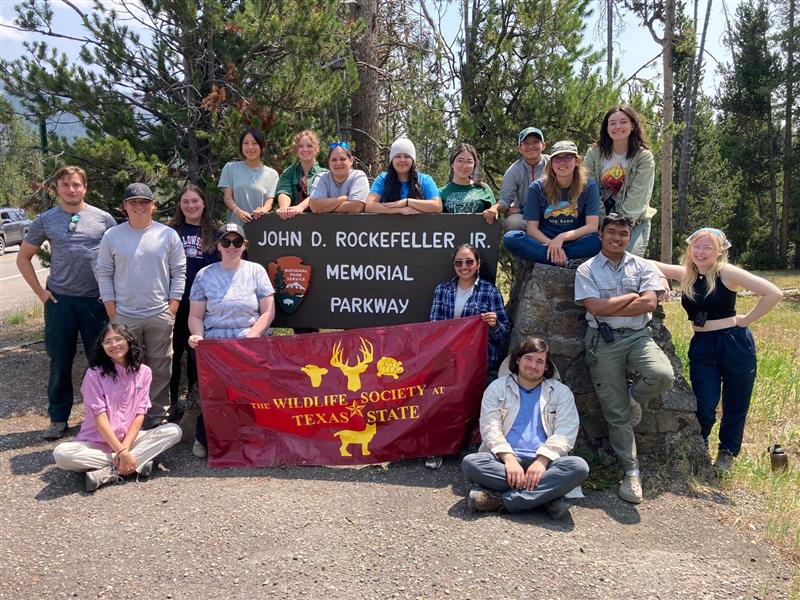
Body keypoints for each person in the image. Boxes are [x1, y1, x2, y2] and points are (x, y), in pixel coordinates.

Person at [651, 228, 782, 473]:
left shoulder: (726, 273)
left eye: (707, 248)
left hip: (733, 343)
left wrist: (746, 320)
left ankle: (726, 454)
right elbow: (647, 263)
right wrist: (660, 281)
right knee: (704, 403)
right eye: (696, 247)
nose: (700, 253)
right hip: (702, 346)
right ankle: (699, 446)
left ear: (720, 251)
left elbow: (773, 293)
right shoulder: (687, 274)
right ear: (689, 249)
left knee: (736, 401)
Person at [574, 213, 674, 504]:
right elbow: (595, 308)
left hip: (638, 337)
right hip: (603, 342)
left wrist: (610, 306)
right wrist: (631, 297)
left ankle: (634, 396)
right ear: (601, 235)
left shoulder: (644, 266)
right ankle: (631, 472)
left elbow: (650, 302)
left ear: (629, 237)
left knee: (662, 375)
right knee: (616, 412)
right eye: (612, 232)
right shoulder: (586, 269)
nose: (617, 237)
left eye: (623, 233)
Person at [17, 166, 117, 440]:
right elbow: (23, 257)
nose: (71, 190)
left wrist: (111, 293)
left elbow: (118, 256)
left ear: (85, 187)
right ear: (57, 189)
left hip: (95, 302)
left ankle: (104, 417)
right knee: (60, 361)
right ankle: (59, 419)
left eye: (76, 185)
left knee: (101, 361)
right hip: (60, 301)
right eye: (65, 185)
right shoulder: (46, 220)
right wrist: (40, 293)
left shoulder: (103, 219)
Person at [461, 337, 589, 518]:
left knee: (579, 467)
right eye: (528, 358)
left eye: (540, 361)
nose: (533, 365)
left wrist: (541, 461)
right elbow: (490, 427)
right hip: (504, 462)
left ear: (546, 367)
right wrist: (509, 460)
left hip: (547, 463)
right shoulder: (497, 388)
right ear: (518, 360)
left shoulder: (560, 392)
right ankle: (547, 497)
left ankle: (500, 501)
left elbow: (566, 432)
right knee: (471, 463)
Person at [95, 183, 186, 428]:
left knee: (160, 368)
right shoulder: (112, 236)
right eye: (133, 203)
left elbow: (179, 272)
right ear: (125, 207)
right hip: (124, 315)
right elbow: (103, 272)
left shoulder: (167, 235)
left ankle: (158, 418)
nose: (139, 207)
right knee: (125, 368)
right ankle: (127, 418)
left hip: (159, 313)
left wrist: (173, 306)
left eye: (144, 202)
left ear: (152, 205)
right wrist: (112, 310)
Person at [52, 323, 182, 493]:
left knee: (174, 431)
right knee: (62, 455)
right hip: (96, 443)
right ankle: (134, 463)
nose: (114, 345)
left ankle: (109, 472)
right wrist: (120, 452)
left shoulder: (144, 372)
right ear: (102, 347)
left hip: (129, 440)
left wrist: (125, 448)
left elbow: (139, 414)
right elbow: (99, 417)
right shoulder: (94, 374)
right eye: (108, 342)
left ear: (129, 341)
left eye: (118, 339)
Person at [188, 223, 276, 457]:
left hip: (250, 343)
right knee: (216, 396)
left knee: (251, 395)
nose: (231, 247)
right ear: (218, 245)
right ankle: (205, 438)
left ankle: (252, 438)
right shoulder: (204, 275)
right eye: (226, 242)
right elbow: (196, 315)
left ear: (244, 246)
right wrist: (197, 335)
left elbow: (268, 312)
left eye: (237, 242)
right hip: (216, 347)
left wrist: (251, 336)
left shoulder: (256, 271)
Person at [167, 184, 221, 421]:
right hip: (173, 302)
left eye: (195, 201)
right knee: (172, 354)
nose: (191, 206)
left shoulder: (216, 234)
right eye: (186, 201)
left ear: (204, 203)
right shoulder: (169, 232)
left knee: (196, 354)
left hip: (203, 306)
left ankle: (194, 403)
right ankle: (169, 403)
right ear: (180, 205)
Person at [503, 141, 601, 267]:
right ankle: (564, 259)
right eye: (557, 159)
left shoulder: (589, 186)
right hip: (545, 241)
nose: (562, 162)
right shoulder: (537, 188)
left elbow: (592, 226)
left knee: (599, 240)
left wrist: (561, 238)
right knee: (511, 238)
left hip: (574, 240)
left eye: (567, 157)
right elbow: (532, 229)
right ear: (551, 163)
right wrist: (552, 244)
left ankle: (549, 257)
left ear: (577, 161)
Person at [583, 106, 655, 256]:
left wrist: (617, 227)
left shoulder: (643, 157)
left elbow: (638, 196)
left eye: (623, 122)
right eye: (612, 123)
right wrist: (604, 223)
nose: (618, 127)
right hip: (599, 218)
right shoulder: (594, 153)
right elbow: (590, 189)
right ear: (606, 127)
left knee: (624, 259)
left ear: (633, 125)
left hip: (632, 220)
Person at [485, 127, 549, 232]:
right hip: (526, 217)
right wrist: (495, 208)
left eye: (535, 142)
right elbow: (505, 200)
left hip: (554, 213)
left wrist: (521, 209)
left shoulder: (554, 164)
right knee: (513, 223)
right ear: (519, 148)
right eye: (526, 143)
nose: (531, 146)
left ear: (543, 145)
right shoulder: (513, 172)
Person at [219, 128, 279, 227]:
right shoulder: (230, 168)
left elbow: (269, 202)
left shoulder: (272, 174)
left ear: (262, 146)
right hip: (235, 230)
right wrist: (237, 211)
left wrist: (263, 210)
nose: (250, 147)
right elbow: (227, 197)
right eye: (246, 143)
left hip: (261, 228)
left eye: (254, 143)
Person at [365, 137, 442, 214]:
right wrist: (399, 210)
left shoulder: (425, 180)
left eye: (407, 156)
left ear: (413, 160)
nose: (402, 160)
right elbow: (369, 206)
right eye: (398, 156)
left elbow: (437, 206)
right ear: (392, 160)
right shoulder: (383, 179)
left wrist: (407, 202)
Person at [275, 129, 327, 220]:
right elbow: (284, 191)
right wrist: (284, 208)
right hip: (293, 224)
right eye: (301, 146)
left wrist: (300, 207)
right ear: (296, 149)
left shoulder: (325, 174)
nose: (305, 149)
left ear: (316, 148)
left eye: (309, 145)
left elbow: (317, 195)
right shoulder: (288, 172)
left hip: (319, 224)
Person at [308, 142, 368, 213]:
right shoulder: (322, 178)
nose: (338, 163)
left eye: (342, 159)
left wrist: (326, 208)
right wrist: (343, 199)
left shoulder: (358, 176)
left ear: (351, 161)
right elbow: (315, 207)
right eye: (334, 160)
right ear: (329, 162)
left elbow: (356, 206)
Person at [439, 143, 496, 216]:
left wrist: (494, 209)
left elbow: (495, 217)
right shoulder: (439, 193)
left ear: (474, 165)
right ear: (452, 164)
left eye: (469, 161)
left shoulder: (484, 189)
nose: (465, 166)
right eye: (460, 161)